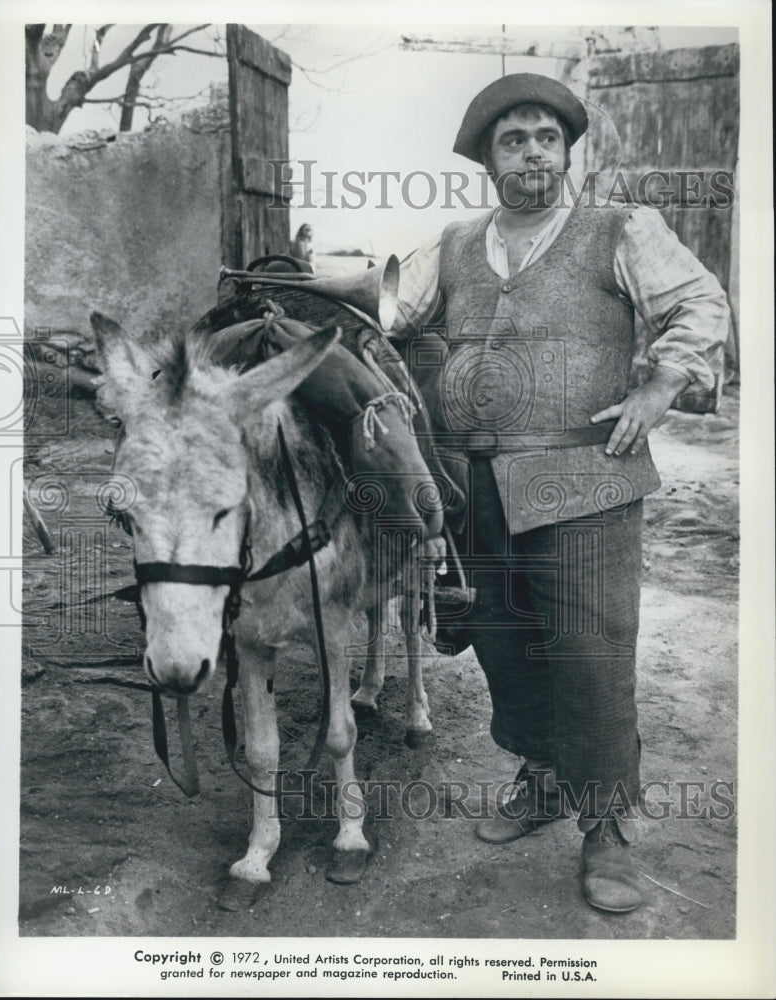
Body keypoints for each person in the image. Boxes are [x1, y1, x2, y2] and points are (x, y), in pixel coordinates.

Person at [389, 73, 731, 913]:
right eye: (515, 140)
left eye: (547, 137)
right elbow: (392, 315)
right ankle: (541, 780)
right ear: (486, 159)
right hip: (476, 487)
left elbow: (699, 303)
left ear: (567, 151)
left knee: (590, 656)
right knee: (507, 644)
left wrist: (660, 386)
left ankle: (606, 829)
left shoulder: (619, 228)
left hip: (587, 480)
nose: (534, 152)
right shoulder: (456, 241)